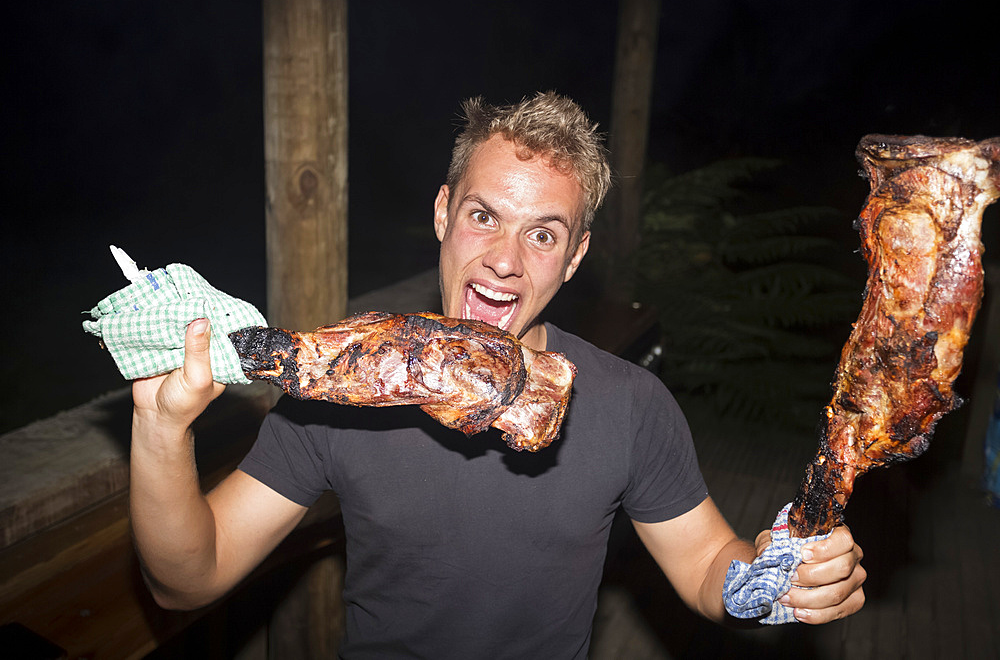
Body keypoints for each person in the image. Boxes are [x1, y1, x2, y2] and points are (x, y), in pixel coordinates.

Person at [130, 92, 865, 658]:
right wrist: (161, 429)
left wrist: (773, 579)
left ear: (575, 257)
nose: (507, 258)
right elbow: (188, 578)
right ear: (445, 214)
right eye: (485, 215)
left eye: (543, 233)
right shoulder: (344, 388)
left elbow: (709, 564)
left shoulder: (631, 404)